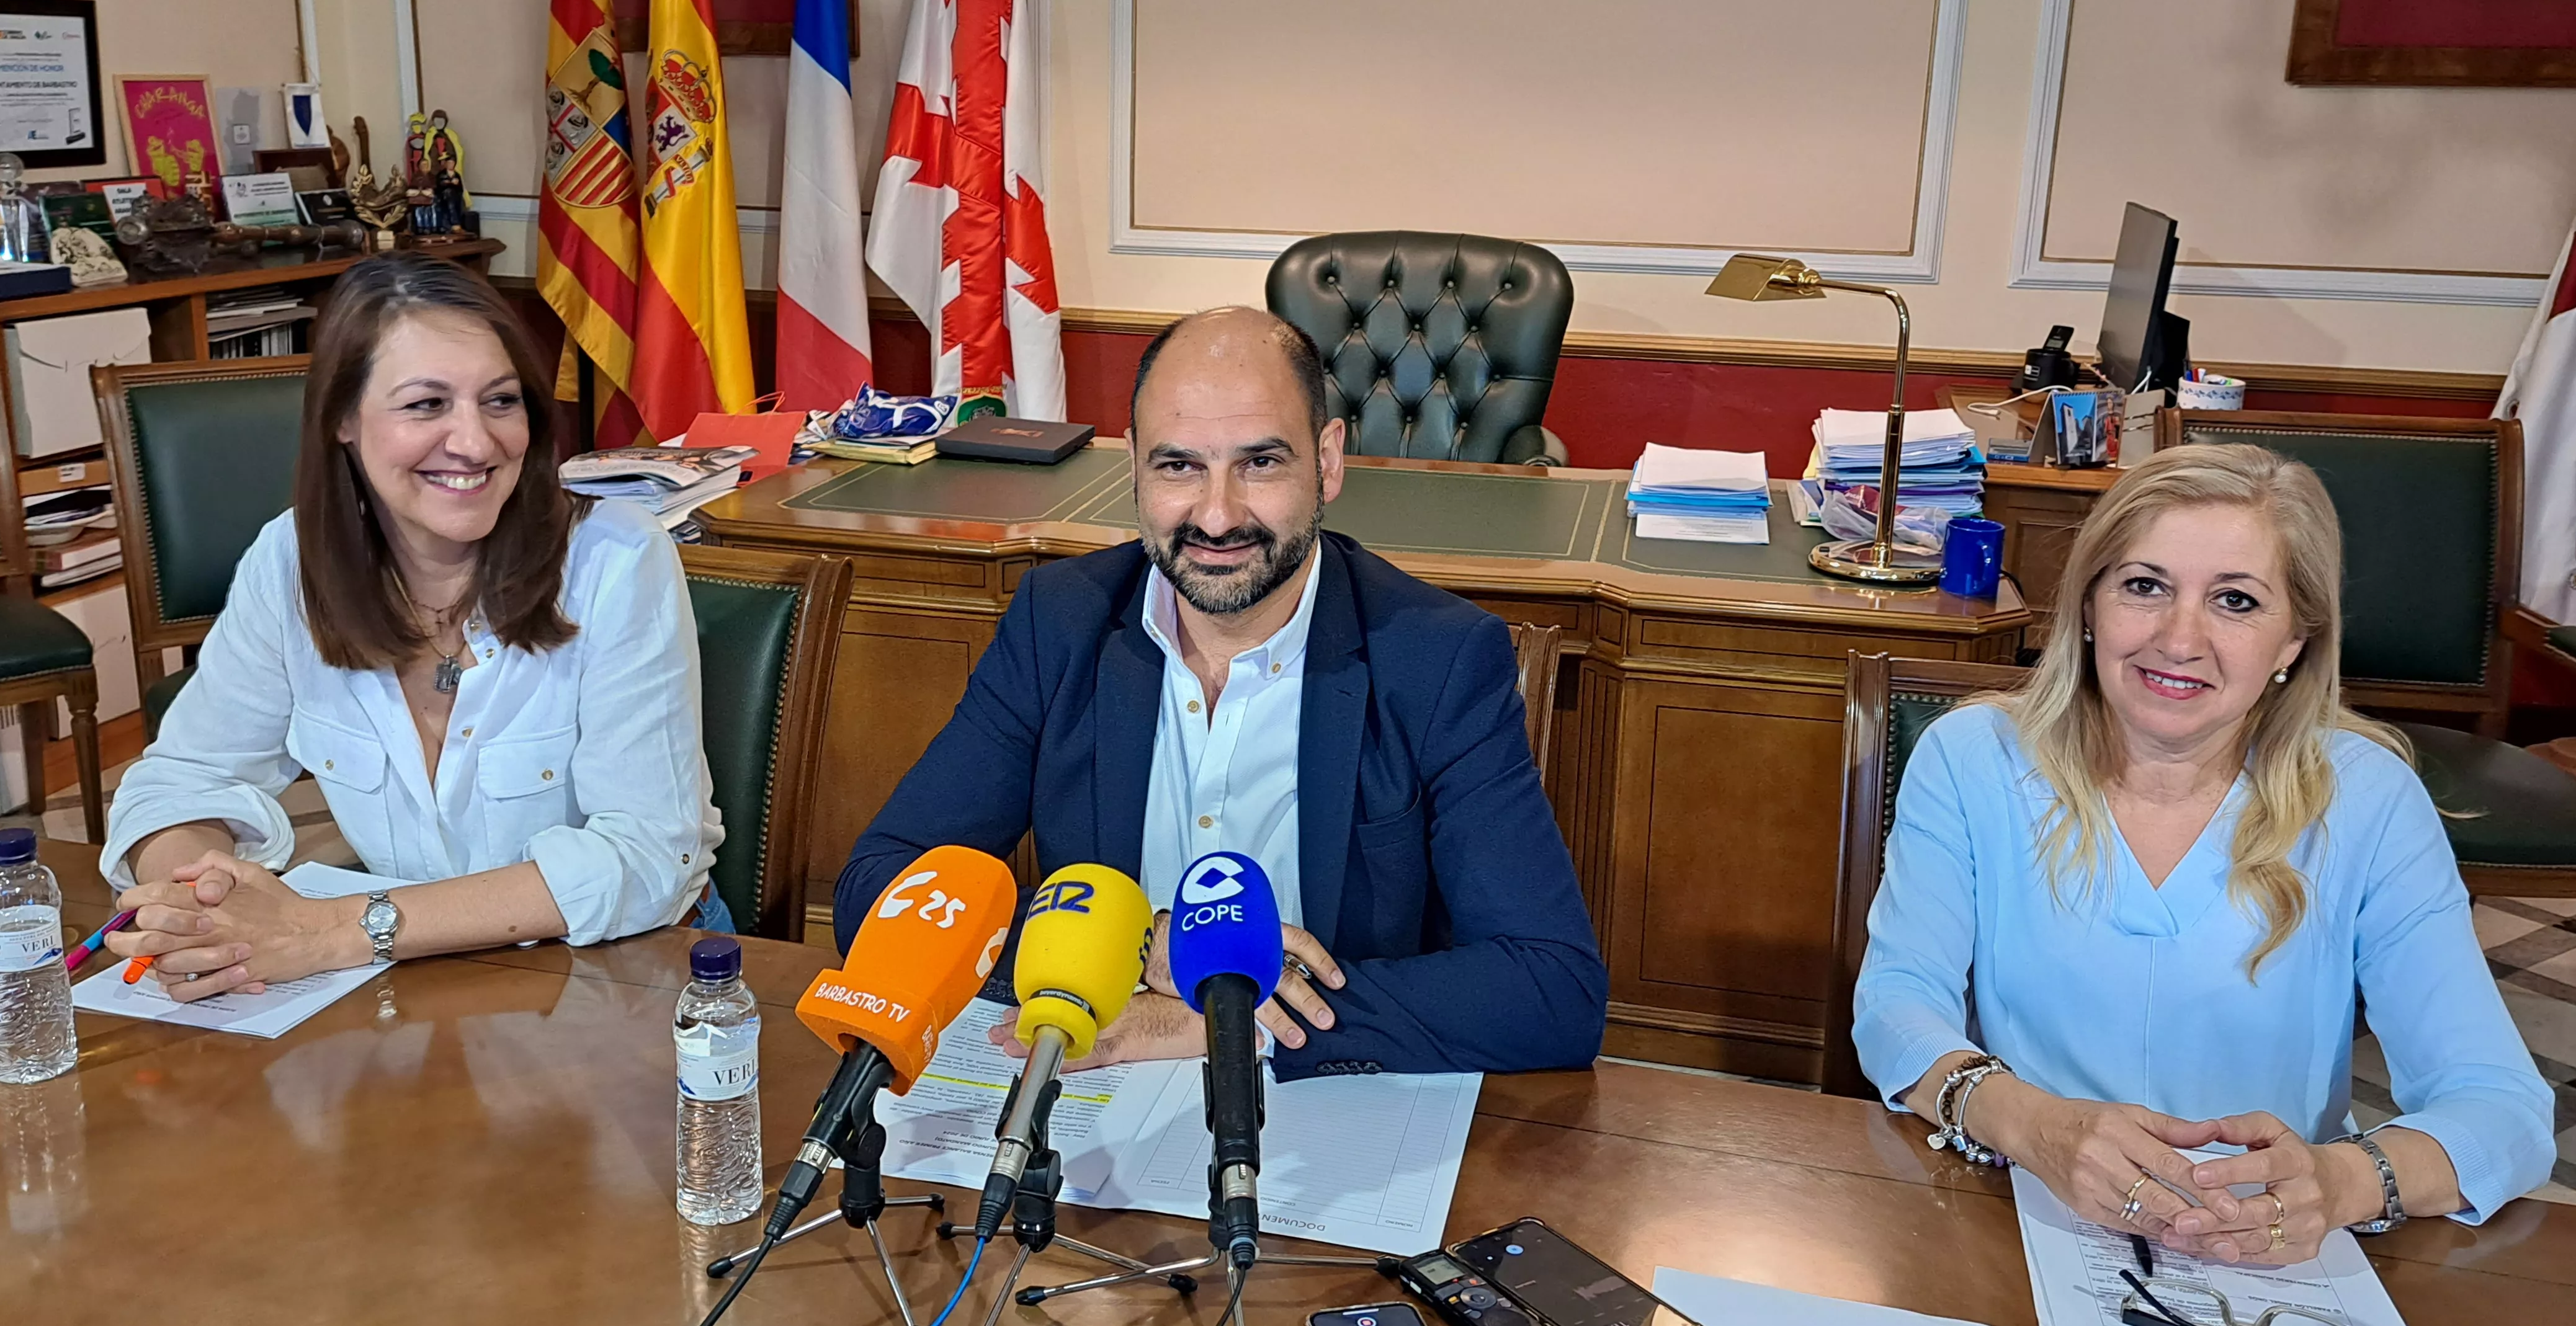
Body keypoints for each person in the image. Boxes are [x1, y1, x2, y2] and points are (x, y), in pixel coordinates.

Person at [832, 308, 1606, 1077]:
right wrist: (1132, 944)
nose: (1217, 514)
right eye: (1178, 466)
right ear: (1132, 464)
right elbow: (878, 892)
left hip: (1323, 1099)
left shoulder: (1436, 657)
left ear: (1328, 462)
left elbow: (1551, 989)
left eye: (1260, 463)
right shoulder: (1058, 624)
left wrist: (1225, 1020)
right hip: (1095, 1091)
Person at [1855, 443, 2555, 1264]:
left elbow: (2502, 1110)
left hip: (2269, 1256)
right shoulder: (1972, 757)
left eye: (2236, 600)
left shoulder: (2367, 798)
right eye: (2145, 587)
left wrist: (2341, 1182)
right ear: (2089, 605)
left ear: (2295, 640)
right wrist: (2033, 1125)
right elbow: (1897, 1008)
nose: (2179, 639)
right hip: (2015, 1213)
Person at [98, 256, 720, 995]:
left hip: (617, 979)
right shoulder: (290, 561)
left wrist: (333, 930)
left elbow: (649, 856)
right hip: (411, 983)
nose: (476, 442)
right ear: (343, 421)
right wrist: (195, 904)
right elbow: (185, 777)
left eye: (500, 401)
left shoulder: (617, 558)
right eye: (426, 405)